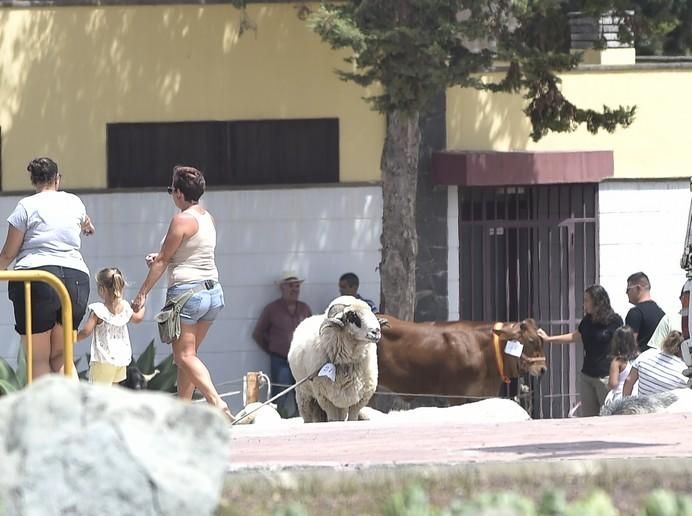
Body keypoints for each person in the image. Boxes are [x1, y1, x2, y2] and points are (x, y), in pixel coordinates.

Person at [131, 165, 231, 420]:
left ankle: (215, 401)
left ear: (178, 193)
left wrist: (142, 293)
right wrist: (163, 257)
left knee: (184, 356)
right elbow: (187, 252)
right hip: (212, 292)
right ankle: (182, 413)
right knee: (188, 358)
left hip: (187, 293)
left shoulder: (181, 219)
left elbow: (164, 260)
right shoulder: (207, 217)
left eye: (171, 190)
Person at [0, 157, 95, 379]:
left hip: (37, 278)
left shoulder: (26, 206)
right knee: (62, 356)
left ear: (33, 181)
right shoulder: (74, 202)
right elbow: (86, 221)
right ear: (57, 179)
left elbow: (8, 253)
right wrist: (88, 227)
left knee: (38, 358)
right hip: (76, 279)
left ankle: (44, 413)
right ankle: (72, 410)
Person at [538, 284, 623, 417]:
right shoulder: (587, 320)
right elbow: (575, 336)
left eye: (586, 300)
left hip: (605, 377)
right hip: (587, 376)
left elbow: (621, 346)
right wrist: (549, 339)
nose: (584, 304)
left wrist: (617, 373)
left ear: (597, 301)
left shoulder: (615, 320)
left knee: (609, 416)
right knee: (589, 417)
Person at [252, 271, 312, 418]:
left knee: (304, 393)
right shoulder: (271, 309)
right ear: (282, 288)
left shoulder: (305, 308)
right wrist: (272, 349)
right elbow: (258, 334)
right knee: (281, 395)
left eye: (297, 286)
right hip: (280, 361)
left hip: (301, 360)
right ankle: (280, 422)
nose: (295, 289)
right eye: (291, 286)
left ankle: (304, 421)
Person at [76, 268, 145, 385]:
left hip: (103, 360)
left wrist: (72, 338)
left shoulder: (98, 310)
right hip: (121, 359)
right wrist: (142, 305)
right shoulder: (125, 307)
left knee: (98, 394)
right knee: (114, 394)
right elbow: (138, 318)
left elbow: (86, 332)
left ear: (102, 290)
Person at [623, 330, 688, 397]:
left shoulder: (647, 354)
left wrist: (625, 404)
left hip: (641, 406)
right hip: (666, 407)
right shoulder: (683, 371)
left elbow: (629, 381)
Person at [625, 272, 665, 352]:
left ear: (638, 288)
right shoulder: (661, 313)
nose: (626, 293)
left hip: (640, 362)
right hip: (660, 361)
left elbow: (629, 346)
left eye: (628, 289)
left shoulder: (635, 313)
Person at [604, 325, 639, 406]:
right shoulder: (639, 358)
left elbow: (613, 383)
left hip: (620, 397)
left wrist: (607, 384)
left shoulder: (617, 361)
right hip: (636, 395)